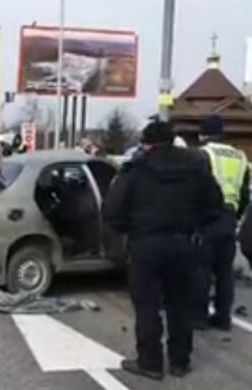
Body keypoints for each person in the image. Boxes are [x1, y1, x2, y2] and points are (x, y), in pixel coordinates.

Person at [103, 119, 223, 380]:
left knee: (147, 306)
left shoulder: (136, 169)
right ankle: (180, 362)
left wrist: (129, 230)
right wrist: (195, 226)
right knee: (180, 304)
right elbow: (215, 206)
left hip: (146, 245)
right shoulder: (197, 166)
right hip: (184, 244)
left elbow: (112, 211)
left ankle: (150, 362)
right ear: (172, 139)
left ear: (146, 143)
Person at [193, 115, 250, 331]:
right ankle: (223, 316)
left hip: (207, 217)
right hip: (229, 216)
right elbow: (244, 192)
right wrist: (236, 216)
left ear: (203, 134)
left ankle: (199, 316)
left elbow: (197, 188)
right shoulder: (240, 156)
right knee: (224, 270)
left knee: (202, 268)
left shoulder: (203, 154)